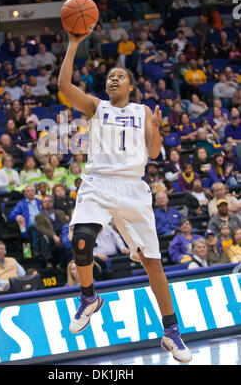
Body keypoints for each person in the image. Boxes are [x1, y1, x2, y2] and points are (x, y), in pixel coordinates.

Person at [57, 30, 192, 362]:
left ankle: (172, 333)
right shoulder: (97, 107)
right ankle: (89, 298)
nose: (114, 79)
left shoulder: (144, 111)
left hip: (133, 188)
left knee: (153, 264)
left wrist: (157, 131)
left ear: (131, 86)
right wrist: (74, 44)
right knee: (82, 241)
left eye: (120, 76)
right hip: (98, 184)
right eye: (110, 77)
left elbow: (155, 152)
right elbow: (64, 86)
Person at [33, 195, 69, 268]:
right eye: (45, 201)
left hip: (63, 234)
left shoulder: (61, 213)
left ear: (53, 203)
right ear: (41, 205)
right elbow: (41, 228)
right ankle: (49, 262)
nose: (47, 203)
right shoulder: (39, 216)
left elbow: (67, 225)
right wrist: (53, 235)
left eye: (50, 201)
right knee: (43, 238)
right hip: (50, 238)